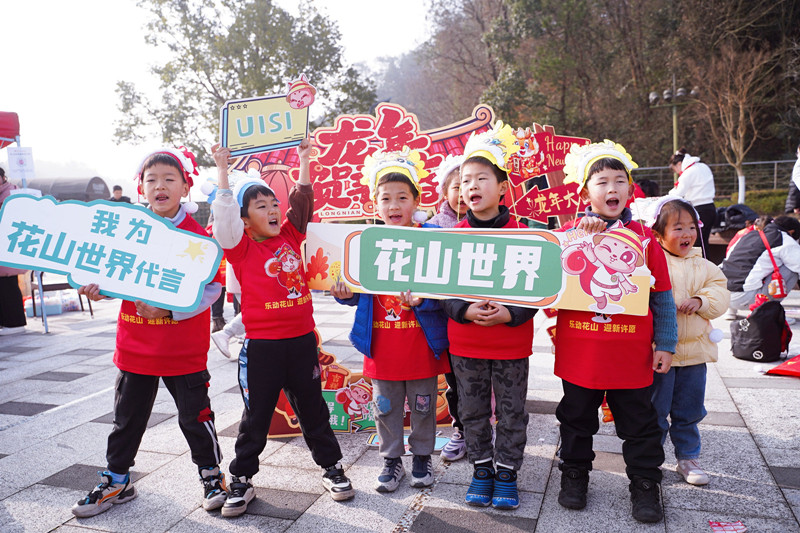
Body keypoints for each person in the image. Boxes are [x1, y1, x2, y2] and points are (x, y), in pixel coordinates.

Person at [72, 147, 226, 518]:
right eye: (151, 179)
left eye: (169, 179)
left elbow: (213, 288)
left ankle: (211, 474)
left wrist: (170, 309)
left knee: (196, 417)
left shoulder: (198, 237)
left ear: (185, 187)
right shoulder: (129, 231)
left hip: (182, 350)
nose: (160, 186)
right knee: (127, 419)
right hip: (136, 347)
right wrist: (98, 287)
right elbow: (113, 274)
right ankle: (117, 480)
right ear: (141, 188)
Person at [211, 139, 354, 518]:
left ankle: (332, 468)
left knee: (312, 409)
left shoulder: (291, 234)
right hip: (262, 349)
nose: (274, 209)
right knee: (255, 415)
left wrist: (305, 161)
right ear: (244, 220)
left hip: (301, 343)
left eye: (274, 203)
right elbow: (223, 220)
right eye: (262, 206)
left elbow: (302, 201)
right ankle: (241, 479)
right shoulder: (240, 248)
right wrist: (223, 172)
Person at [555, 140, 677, 524]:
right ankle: (574, 474)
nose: (612, 189)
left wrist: (667, 343)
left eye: (619, 181)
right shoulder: (568, 235)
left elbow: (663, 297)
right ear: (585, 192)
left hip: (631, 356)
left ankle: (644, 483)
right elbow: (549, 290)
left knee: (640, 424)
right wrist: (580, 237)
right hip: (581, 355)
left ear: (630, 189)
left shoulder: (645, 239)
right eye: (602, 181)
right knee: (575, 419)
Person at [331, 148, 450, 493]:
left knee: (424, 407)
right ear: (375, 205)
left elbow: (445, 286)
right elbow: (355, 292)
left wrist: (426, 299)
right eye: (386, 199)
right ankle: (391, 459)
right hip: (381, 347)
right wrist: (341, 290)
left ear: (416, 200)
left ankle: (423, 457)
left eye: (402, 197)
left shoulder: (431, 238)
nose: (394, 205)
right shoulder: (366, 242)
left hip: (421, 345)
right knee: (385, 408)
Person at [441, 122, 537, 511]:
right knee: (472, 409)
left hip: (511, 342)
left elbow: (541, 289)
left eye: (482, 178)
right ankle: (482, 470)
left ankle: (508, 471)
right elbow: (439, 290)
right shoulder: (450, 236)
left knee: (513, 411)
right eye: (466, 180)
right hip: (465, 342)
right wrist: (463, 309)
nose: (472, 186)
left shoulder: (527, 234)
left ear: (501, 187)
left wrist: (510, 313)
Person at [649, 198, 729, 486]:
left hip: (695, 354)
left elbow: (720, 293)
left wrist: (701, 300)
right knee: (655, 411)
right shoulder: (653, 262)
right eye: (678, 227)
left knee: (689, 410)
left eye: (692, 227)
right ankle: (649, 457)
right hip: (659, 355)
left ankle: (688, 457)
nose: (687, 234)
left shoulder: (705, 265)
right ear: (658, 234)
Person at [427, 154, 468, 462]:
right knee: (456, 382)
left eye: (473, 184)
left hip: (489, 322)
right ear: (444, 192)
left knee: (487, 383)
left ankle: (486, 429)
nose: (466, 192)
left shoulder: (494, 225)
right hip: (449, 322)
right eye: (458, 185)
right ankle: (463, 430)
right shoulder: (431, 228)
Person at [721, 215, 800, 318]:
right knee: (791, 270)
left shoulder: (748, 235)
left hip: (721, 295)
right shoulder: (784, 239)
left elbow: (729, 256)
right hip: (744, 298)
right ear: (792, 232)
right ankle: (770, 314)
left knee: (743, 266)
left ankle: (730, 311)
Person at [667, 149, 716, 255]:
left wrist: (666, 196)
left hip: (699, 209)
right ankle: (706, 267)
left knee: (696, 243)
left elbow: (678, 193)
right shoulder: (703, 166)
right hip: (711, 207)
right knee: (704, 243)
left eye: (674, 168)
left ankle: (697, 268)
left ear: (679, 164)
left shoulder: (688, 172)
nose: (676, 172)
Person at [0, 167, 27, 336]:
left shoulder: (12, 192)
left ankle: (15, 322)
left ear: (2, 177)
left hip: (8, 246)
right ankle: (6, 322)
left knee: (8, 283)